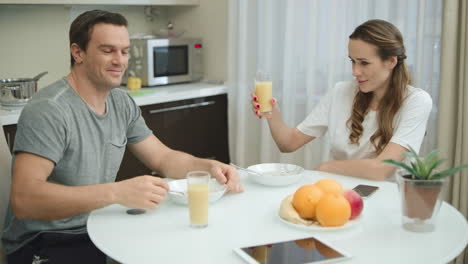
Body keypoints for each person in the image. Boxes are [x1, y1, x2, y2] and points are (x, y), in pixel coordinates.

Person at [2, 9, 243, 264]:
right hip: (46, 240)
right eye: (108, 51)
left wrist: (209, 167)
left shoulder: (120, 102)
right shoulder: (49, 110)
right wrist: (116, 193)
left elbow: (163, 158)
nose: (120, 61)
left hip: (98, 226)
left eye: (124, 51)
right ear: (78, 52)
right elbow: (25, 200)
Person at [251, 19, 432, 181]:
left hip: (384, 199)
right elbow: (288, 143)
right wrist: (271, 112)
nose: (355, 71)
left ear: (391, 62)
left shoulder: (416, 101)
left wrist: (325, 168)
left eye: (364, 63)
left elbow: (381, 169)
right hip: (336, 194)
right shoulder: (341, 92)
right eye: (352, 61)